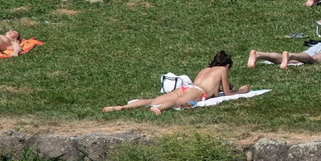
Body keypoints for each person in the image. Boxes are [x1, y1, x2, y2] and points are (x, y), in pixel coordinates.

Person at [103, 51, 250, 113]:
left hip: (187, 87)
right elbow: (227, 94)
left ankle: (121, 107)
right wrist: (242, 91)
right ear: (228, 66)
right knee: (178, 102)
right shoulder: (222, 71)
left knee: (152, 99)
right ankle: (160, 108)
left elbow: (216, 93)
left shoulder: (205, 69)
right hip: (197, 92)